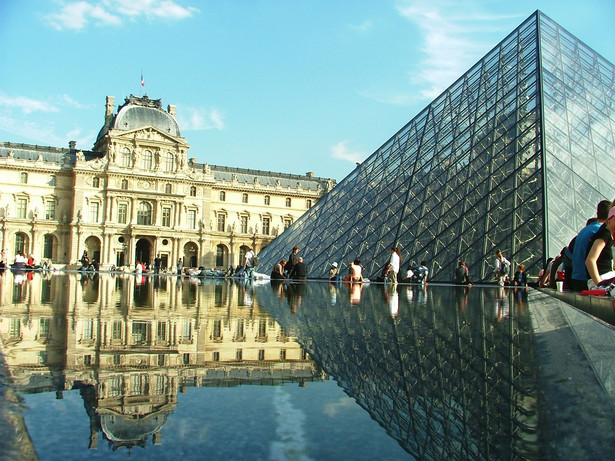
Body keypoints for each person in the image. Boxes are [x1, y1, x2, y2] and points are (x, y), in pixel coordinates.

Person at [570, 200, 611, 291]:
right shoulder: (599, 231)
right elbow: (591, 260)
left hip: (576, 277)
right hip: (586, 279)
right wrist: (601, 285)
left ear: (597, 212)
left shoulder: (586, 229)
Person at [586, 206, 615, 289]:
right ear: (609, 219)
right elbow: (590, 260)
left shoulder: (606, 234)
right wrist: (600, 284)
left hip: (605, 277)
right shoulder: (604, 235)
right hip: (603, 278)